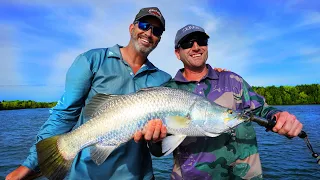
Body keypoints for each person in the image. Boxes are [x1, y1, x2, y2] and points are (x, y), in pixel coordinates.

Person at [6, 7, 171, 180]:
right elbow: (64, 115)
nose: (148, 33)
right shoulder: (92, 60)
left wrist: (157, 140)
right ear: (132, 28)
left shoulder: (163, 80)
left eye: (156, 30)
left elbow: (158, 149)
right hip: (85, 175)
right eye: (144, 25)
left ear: (159, 39)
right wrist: (29, 164)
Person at [147, 24, 303, 179]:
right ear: (177, 53)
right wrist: (155, 140)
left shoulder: (233, 81)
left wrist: (280, 116)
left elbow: (264, 110)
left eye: (201, 41)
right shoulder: (166, 92)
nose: (196, 47)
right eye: (188, 43)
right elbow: (158, 151)